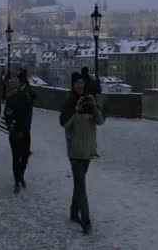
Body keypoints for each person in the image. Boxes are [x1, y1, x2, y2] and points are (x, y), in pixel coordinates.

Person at [60, 73, 104, 235]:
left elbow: (100, 121)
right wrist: (76, 111)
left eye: (81, 83)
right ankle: (86, 222)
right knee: (81, 186)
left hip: (88, 151)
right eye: (77, 83)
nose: (79, 86)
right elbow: (64, 124)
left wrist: (95, 106)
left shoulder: (89, 100)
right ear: (72, 85)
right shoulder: (69, 102)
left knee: (79, 183)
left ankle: (73, 211)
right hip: (74, 151)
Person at [4, 78, 30, 194]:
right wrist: (12, 129)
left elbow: (28, 116)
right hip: (14, 133)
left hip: (25, 132)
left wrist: (24, 130)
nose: (13, 89)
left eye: (15, 87)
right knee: (16, 157)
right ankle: (17, 181)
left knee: (24, 156)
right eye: (11, 87)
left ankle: (20, 175)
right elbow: (7, 116)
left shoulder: (25, 97)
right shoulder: (9, 100)